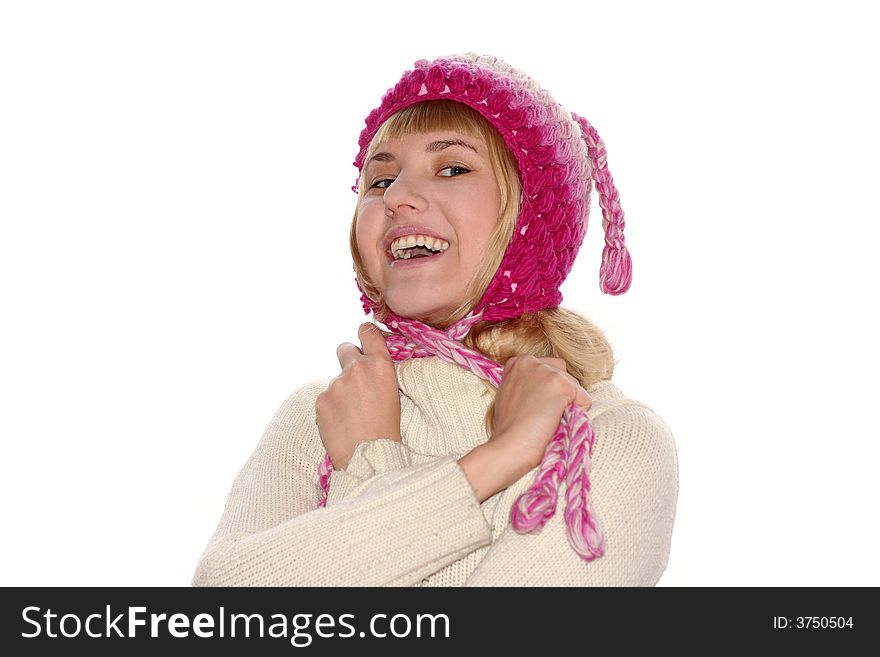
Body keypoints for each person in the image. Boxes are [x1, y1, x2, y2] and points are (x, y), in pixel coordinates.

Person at [191, 53, 679, 587]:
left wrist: (370, 465)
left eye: (452, 168)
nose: (396, 197)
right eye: (379, 181)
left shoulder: (605, 435)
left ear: (529, 218)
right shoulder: (321, 412)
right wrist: (498, 459)